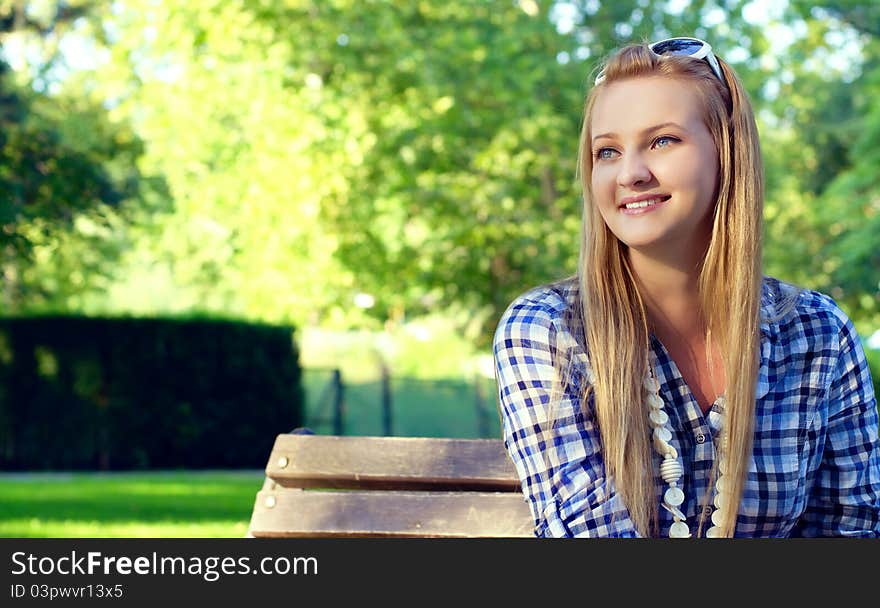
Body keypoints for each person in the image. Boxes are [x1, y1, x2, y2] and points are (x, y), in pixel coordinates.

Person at [493, 37, 880, 537]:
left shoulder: (817, 335)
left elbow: (852, 530)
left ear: (727, 153)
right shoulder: (548, 333)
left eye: (662, 141)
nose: (630, 173)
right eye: (607, 151)